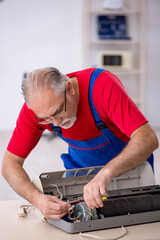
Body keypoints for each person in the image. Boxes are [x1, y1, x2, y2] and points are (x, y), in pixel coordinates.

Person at [1, 67, 158, 220]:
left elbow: (147, 139)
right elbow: (9, 164)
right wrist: (36, 199)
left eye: (59, 112)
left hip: (131, 173)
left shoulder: (102, 85)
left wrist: (106, 173)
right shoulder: (37, 111)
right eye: (46, 119)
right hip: (81, 175)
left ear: (69, 88)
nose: (55, 122)